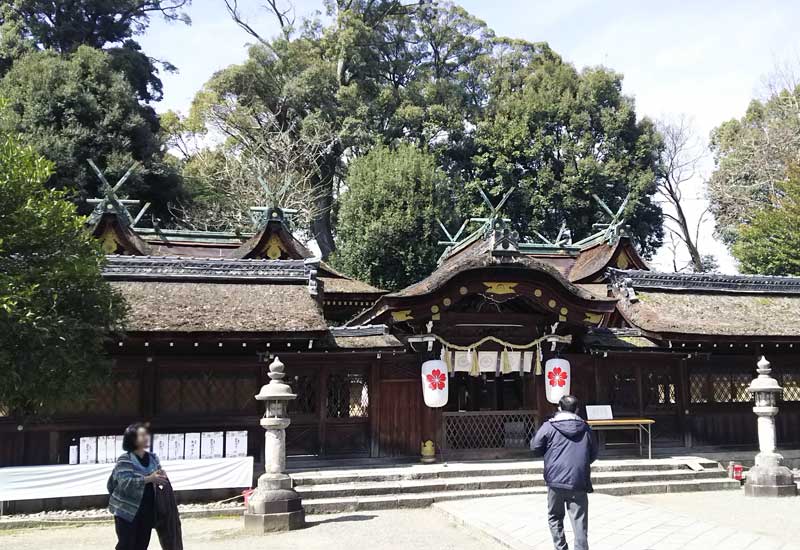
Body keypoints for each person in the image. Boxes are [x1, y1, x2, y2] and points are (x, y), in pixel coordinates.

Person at [530, 395, 598, 550]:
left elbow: (535, 447)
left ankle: (561, 547)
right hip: (578, 479)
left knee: (555, 517)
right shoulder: (586, 427)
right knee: (579, 521)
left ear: (559, 408)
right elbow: (594, 453)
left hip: (555, 480)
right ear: (577, 409)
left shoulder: (549, 426)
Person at [108, 422, 168, 550]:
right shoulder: (125, 459)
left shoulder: (153, 458)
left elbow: (159, 478)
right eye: (142, 435)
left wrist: (162, 477)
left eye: (146, 434)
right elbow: (125, 483)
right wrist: (149, 478)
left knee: (142, 545)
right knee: (126, 545)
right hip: (126, 510)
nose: (146, 437)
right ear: (132, 438)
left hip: (147, 509)